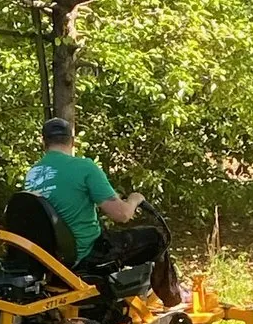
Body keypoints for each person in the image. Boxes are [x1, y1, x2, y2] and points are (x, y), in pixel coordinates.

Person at [23, 118, 181, 305]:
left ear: (43, 142)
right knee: (157, 237)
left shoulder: (33, 173)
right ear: (72, 141)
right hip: (85, 253)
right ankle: (171, 297)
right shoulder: (84, 167)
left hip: (48, 258)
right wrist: (135, 199)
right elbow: (122, 215)